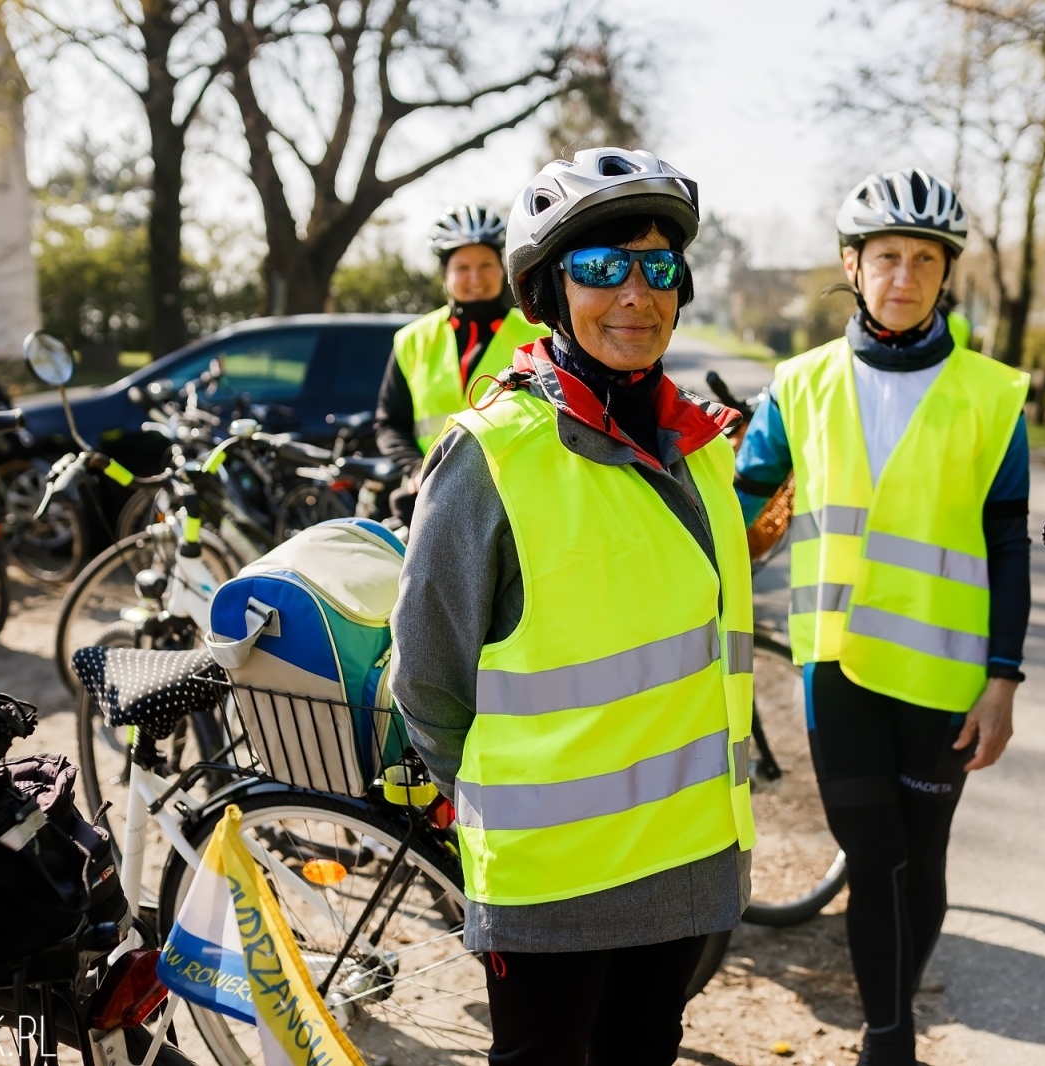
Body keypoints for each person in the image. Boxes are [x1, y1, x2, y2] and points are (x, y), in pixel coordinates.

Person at [390, 148, 754, 1065]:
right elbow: (429, 682)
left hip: (680, 864)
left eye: (657, 265)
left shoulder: (697, 447)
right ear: (548, 291)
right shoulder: (489, 458)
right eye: (600, 267)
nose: (635, 292)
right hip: (551, 887)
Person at [733, 168, 1031, 1066]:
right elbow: (743, 505)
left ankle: (891, 1019)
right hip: (839, 671)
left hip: (945, 676)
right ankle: (887, 1038)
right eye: (886, 257)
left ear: (947, 275)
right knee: (873, 855)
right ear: (852, 267)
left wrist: (1004, 682)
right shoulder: (801, 384)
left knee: (921, 857)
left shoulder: (992, 394)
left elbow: (1009, 544)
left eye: (924, 261)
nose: (904, 276)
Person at [373, 203, 549, 471]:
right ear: (445, 274)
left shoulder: (540, 336)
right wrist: (417, 471)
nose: (476, 278)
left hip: (515, 489)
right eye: (463, 268)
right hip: (430, 489)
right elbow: (390, 424)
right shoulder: (411, 340)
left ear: (503, 269)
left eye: (486, 265)